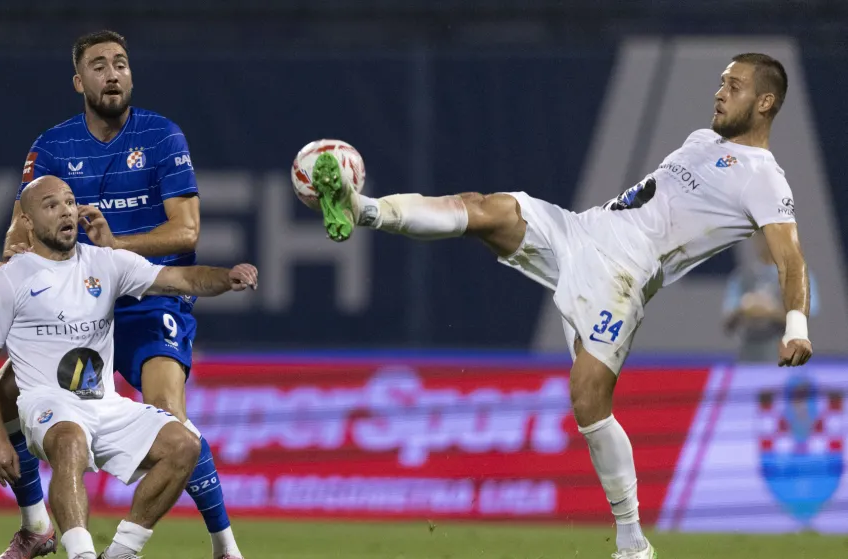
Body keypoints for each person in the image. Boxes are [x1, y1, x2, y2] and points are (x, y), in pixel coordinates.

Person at [308, 53, 813, 558]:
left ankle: (633, 543)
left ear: (765, 102)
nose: (720, 93)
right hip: (582, 228)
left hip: (623, 273)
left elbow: (790, 259)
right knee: (487, 208)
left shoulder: (764, 178)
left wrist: (795, 325)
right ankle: (361, 208)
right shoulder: (702, 141)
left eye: (735, 86)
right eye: (721, 83)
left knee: (589, 396)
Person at [0, 30, 244, 559]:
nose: (113, 73)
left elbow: (187, 233)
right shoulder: (54, 146)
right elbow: (20, 225)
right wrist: (15, 252)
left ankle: (225, 546)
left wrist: (116, 247)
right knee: (3, 391)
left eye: (122, 64)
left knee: (168, 417)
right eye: (100, 65)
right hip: (79, 305)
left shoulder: (161, 136)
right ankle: (35, 524)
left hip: (151, 299)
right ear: (79, 81)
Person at [0, 176, 258, 559]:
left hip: (105, 404)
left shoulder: (106, 263)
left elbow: (180, 278)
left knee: (183, 446)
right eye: (51, 205)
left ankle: (123, 550)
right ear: (26, 221)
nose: (66, 211)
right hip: (47, 405)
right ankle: (81, 553)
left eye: (70, 202)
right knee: (69, 440)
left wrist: (226, 278)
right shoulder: (6, 282)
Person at [723, 230, 819, 363]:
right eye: (762, 235)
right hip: (748, 358)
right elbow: (727, 324)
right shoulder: (741, 278)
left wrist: (771, 311)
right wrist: (744, 308)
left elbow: (806, 323)